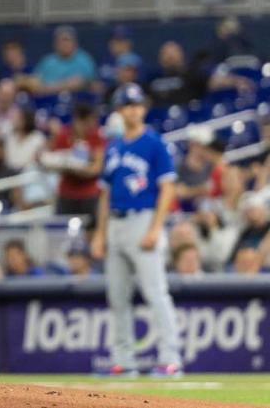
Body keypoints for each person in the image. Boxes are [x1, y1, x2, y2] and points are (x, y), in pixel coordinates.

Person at [91, 83, 182, 377]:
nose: (133, 109)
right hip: (116, 223)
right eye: (127, 104)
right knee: (117, 296)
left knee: (156, 293)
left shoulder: (155, 143)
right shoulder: (113, 147)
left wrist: (156, 228)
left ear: (143, 108)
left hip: (143, 219)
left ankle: (170, 359)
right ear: (119, 109)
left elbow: (168, 188)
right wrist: (99, 233)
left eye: (137, 104)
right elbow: (105, 194)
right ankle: (124, 361)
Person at [44, 103, 106, 230]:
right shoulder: (63, 135)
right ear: (78, 120)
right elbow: (50, 160)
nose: (92, 126)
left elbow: (97, 168)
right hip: (66, 194)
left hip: (89, 195)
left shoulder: (96, 136)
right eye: (88, 123)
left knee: (90, 232)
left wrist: (80, 170)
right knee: (62, 235)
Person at [31, 26, 97, 95]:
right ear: (55, 44)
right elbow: (35, 84)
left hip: (77, 101)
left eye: (67, 40)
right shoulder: (47, 61)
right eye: (62, 41)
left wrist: (49, 87)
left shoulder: (84, 59)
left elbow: (90, 84)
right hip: (49, 100)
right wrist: (62, 85)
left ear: (75, 43)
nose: (65, 44)